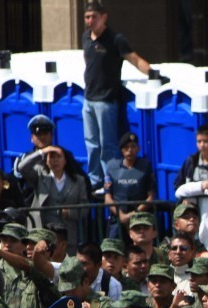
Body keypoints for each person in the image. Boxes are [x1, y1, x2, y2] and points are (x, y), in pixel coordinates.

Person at [80, 1, 153, 193]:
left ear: (104, 17)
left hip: (106, 100)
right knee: (91, 143)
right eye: (87, 17)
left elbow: (133, 58)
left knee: (107, 146)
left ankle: (108, 181)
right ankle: (94, 180)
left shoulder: (115, 39)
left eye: (94, 17)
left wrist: (152, 73)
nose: (90, 21)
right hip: (88, 99)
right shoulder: (86, 37)